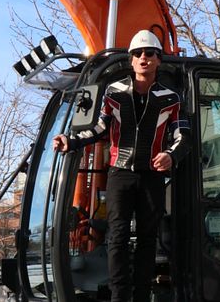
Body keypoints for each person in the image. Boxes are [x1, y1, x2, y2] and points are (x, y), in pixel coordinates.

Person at [52, 30, 190, 302]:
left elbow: (183, 137)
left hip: (151, 176)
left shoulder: (171, 98)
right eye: (138, 54)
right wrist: (71, 140)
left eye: (149, 53)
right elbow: (100, 129)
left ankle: (142, 296)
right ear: (131, 60)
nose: (143, 58)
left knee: (148, 239)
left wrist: (171, 156)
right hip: (121, 174)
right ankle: (119, 297)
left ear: (158, 60)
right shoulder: (115, 93)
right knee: (117, 236)